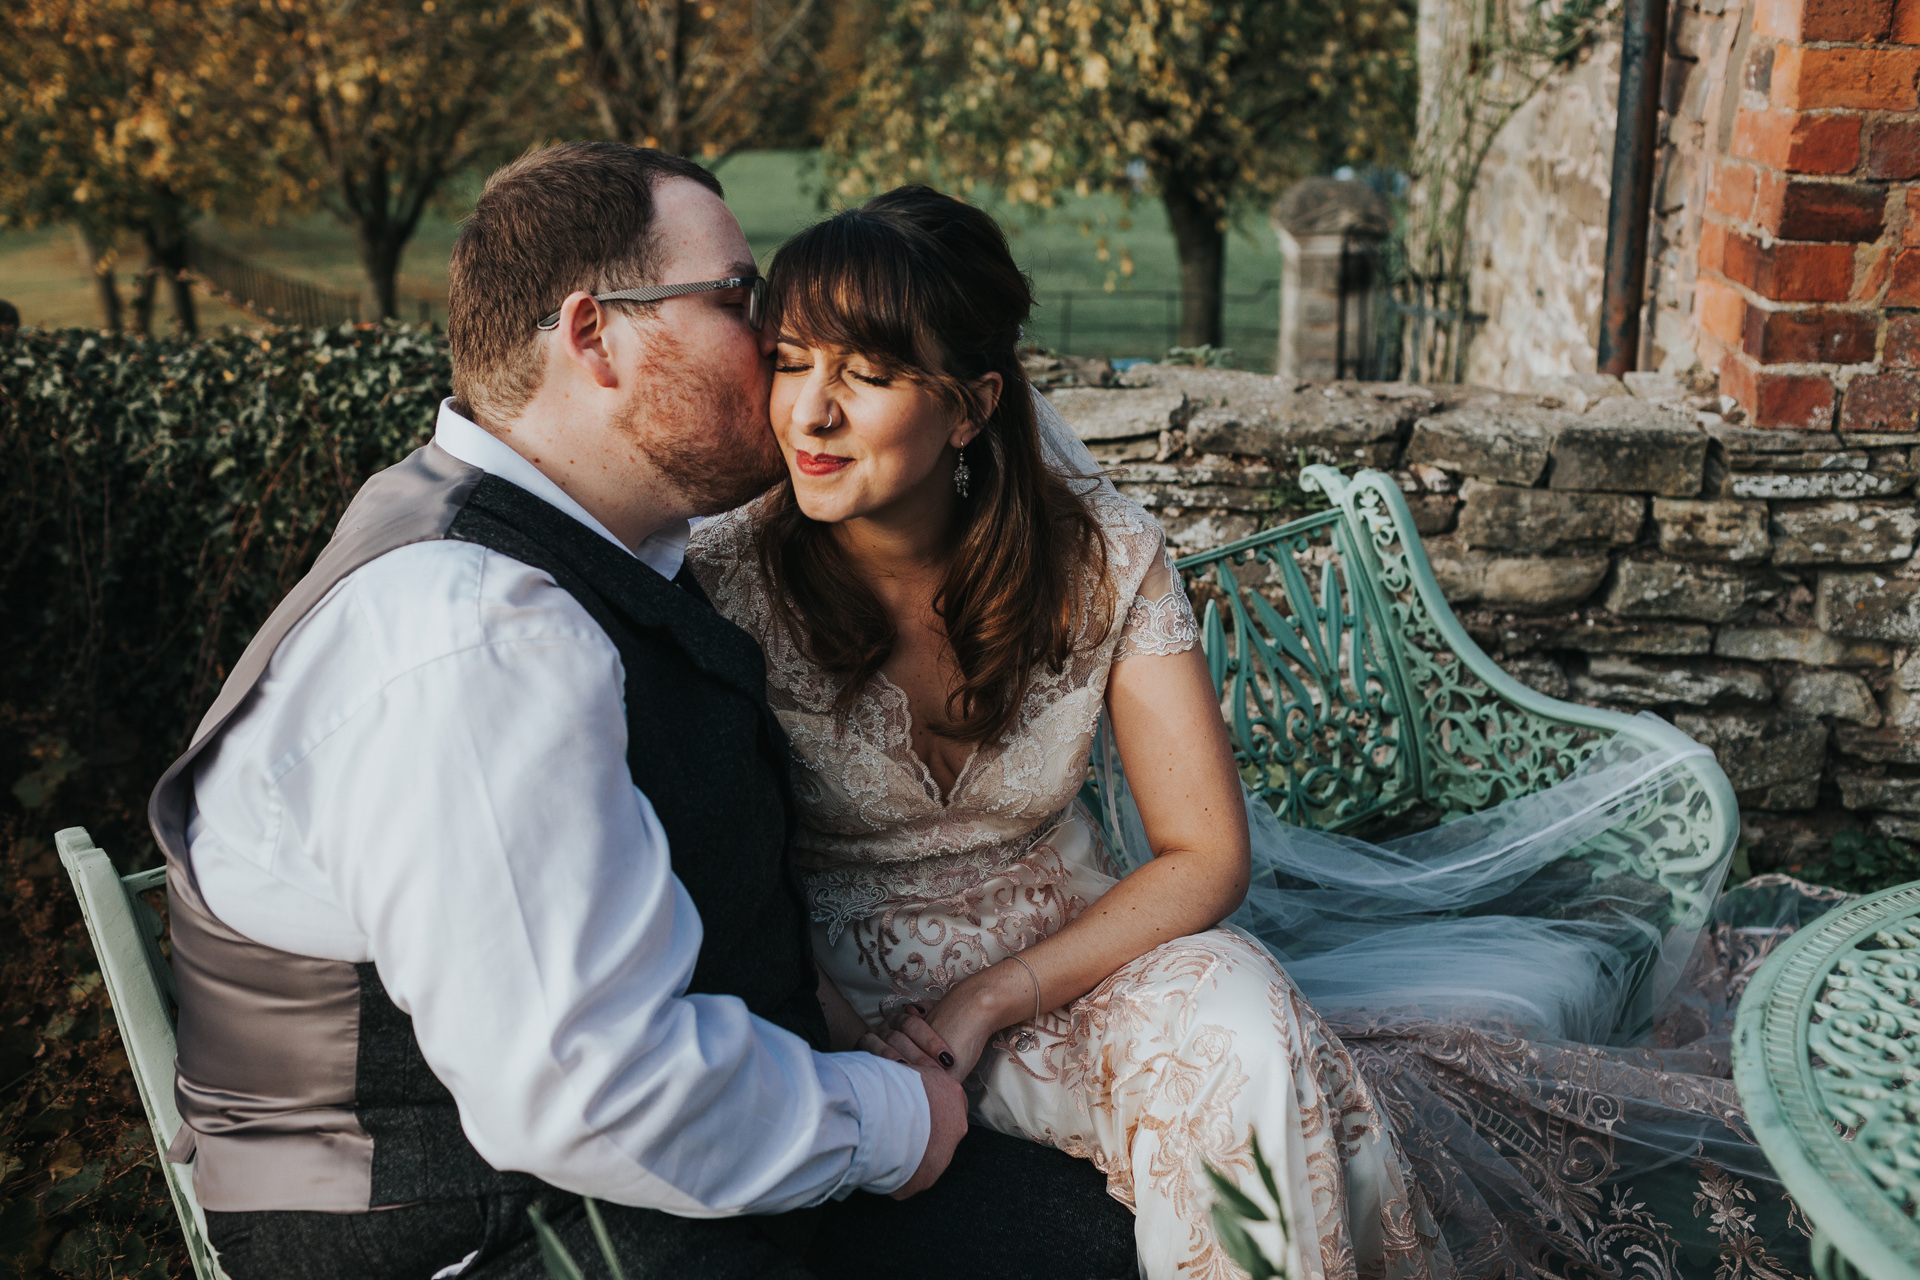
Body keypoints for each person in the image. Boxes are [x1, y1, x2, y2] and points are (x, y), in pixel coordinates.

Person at [688, 187, 1816, 1280]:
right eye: (790, 361)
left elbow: (1205, 853)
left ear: (973, 405)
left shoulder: (1100, 561)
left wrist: (990, 994)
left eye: (867, 375)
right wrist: (866, 1039)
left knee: (1247, 1023)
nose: (810, 411)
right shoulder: (724, 578)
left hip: (1073, 968)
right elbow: (716, 864)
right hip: (836, 1007)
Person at [146, 144, 1136, 1280]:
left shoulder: (601, 550)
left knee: (1115, 1222)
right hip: (476, 1229)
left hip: (648, 1166)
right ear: (593, 336)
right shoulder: (474, 630)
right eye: (736, 298)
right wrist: (889, 1118)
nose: (772, 335)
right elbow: (582, 1088)